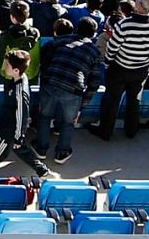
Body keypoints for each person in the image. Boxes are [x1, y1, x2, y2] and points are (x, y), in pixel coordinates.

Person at [98, 0, 149, 141]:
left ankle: (105, 132)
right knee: (134, 100)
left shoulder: (124, 25)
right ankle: (131, 131)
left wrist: (109, 63)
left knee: (111, 101)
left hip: (119, 69)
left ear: (139, 5)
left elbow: (112, 50)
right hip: (142, 70)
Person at [0, 48, 57, 179]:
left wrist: (18, 135)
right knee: (21, 149)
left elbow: (21, 113)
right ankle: (43, 172)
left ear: (16, 70)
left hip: (10, 128)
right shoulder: (17, 79)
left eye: (8, 65)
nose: (5, 67)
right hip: (9, 123)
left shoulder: (20, 91)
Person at [34, 18, 101, 164]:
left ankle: (41, 149)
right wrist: (82, 106)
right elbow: (95, 82)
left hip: (51, 81)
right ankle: (62, 152)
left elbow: (46, 53)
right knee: (68, 122)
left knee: (44, 117)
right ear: (94, 34)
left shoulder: (61, 40)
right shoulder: (95, 51)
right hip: (74, 89)